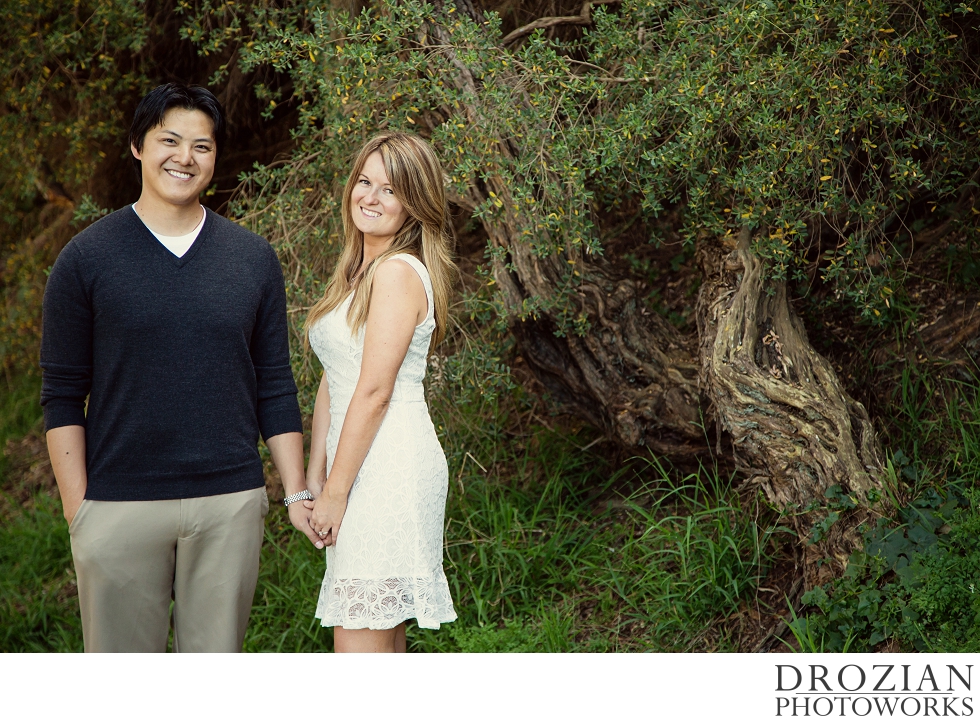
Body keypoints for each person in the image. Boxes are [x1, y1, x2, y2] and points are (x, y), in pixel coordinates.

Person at [40, 83, 319, 653]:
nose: (185, 158)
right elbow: (62, 395)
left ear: (215, 157)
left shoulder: (251, 258)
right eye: (169, 140)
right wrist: (81, 512)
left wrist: (294, 492)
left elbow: (275, 383)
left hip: (228, 506)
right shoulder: (86, 259)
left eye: (202, 145)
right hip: (118, 505)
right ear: (137, 147)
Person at [305, 131, 459, 652]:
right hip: (356, 460)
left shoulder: (396, 273)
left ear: (414, 203)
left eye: (389, 189)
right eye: (364, 182)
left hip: (386, 462)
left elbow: (373, 391)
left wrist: (335, 492)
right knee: (379, 643)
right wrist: (313, 475)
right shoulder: (358, 271)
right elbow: (336, 375)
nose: (370, 197)